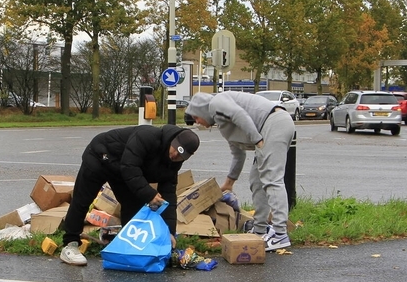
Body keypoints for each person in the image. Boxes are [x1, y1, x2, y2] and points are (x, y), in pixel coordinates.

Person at [59, 125, 200, 266]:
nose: (175, 155)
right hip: (100, 156)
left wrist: (169, 232)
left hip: (121, 171)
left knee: (133, 207)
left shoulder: (173, 164)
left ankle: (130, 248)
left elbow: (168, 196)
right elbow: (129, 167)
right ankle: (70, 245)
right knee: (82, 199)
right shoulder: (147, 136)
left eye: (181, 155)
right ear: (172, 140)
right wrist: (149, 194)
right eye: (175, 149)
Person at [185, 92, 293, 252]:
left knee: (272, 179)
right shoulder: (223, 123)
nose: (197, 122)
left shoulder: (217, 103)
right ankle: (260, 230)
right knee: (257, 181)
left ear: (202, 110)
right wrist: (229, 183)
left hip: (274, 123)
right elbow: (238, 154)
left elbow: (239, 114)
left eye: (196, 117)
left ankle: (280, 234)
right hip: (271, 126)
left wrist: (257, 140)